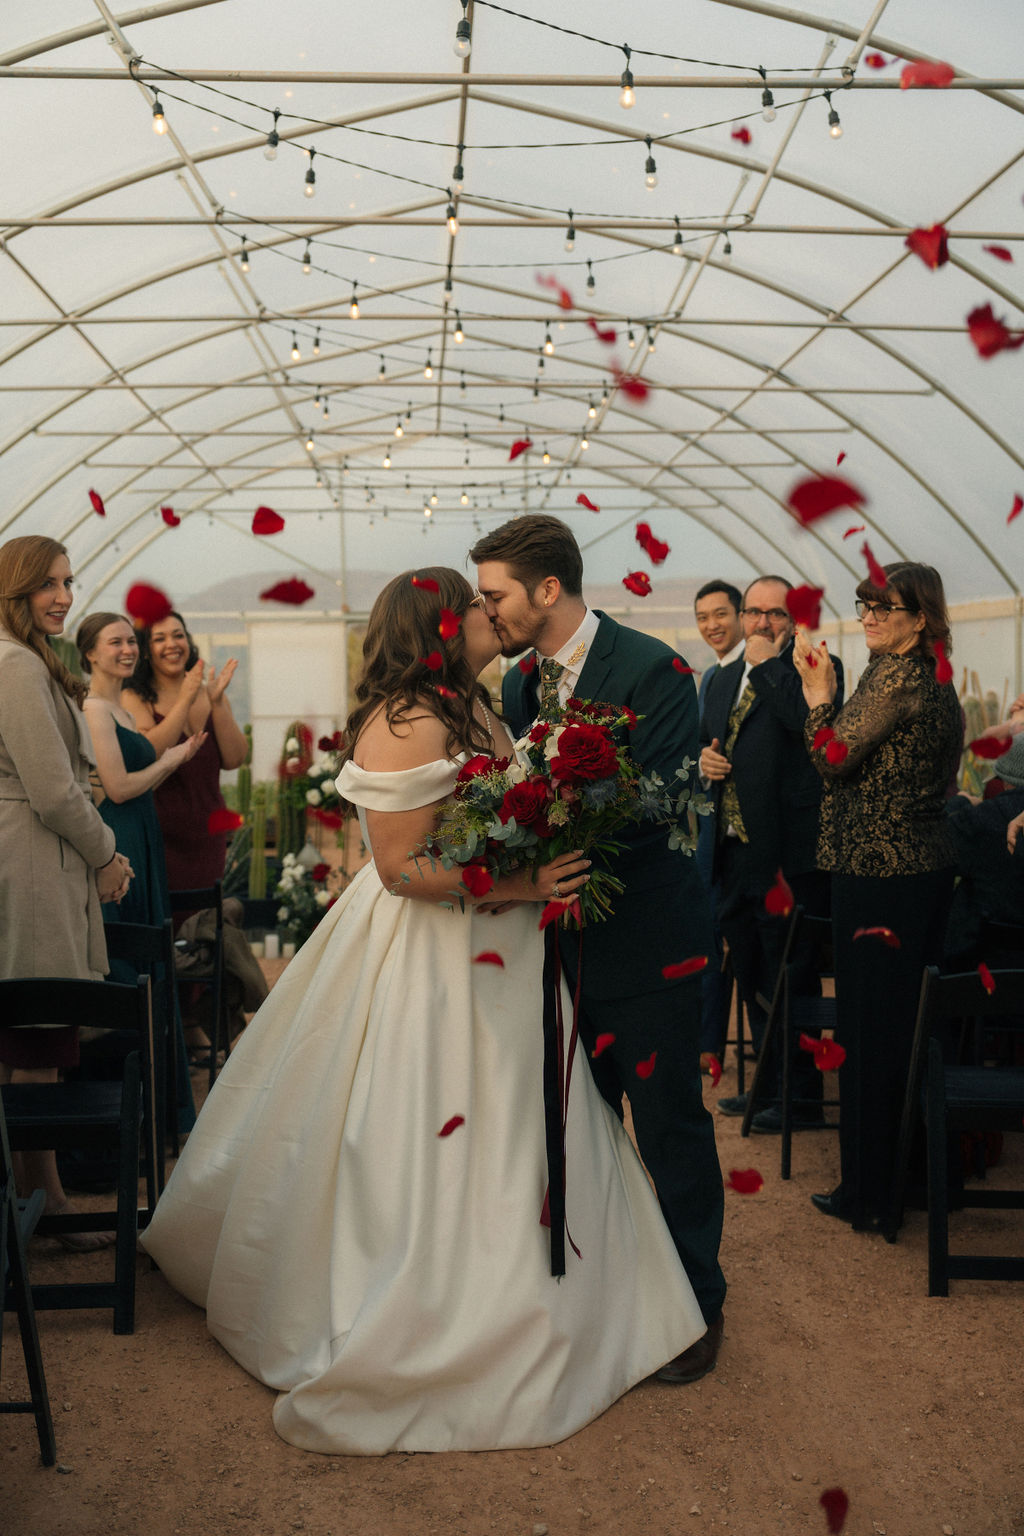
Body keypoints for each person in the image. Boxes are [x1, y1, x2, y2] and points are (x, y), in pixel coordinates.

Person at [141, 567, 706, 1454]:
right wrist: (525, 882)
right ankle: (446, 1302)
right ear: (443, 626)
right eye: (478, 605)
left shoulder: (481, 704)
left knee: (531, 1117)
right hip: (437, 955)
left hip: (511, 953)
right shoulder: (405, 722)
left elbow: (495, 812)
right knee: (437, 1123)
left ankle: (581, 1297)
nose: (494, 613)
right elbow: (402, 870)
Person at [471, 515, 726, 1386]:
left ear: (549, 591)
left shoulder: (652, 668)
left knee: (669, 1128)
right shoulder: (516, 684)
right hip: (558, 946)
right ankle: (605, 1296)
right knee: (576, 1130)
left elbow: (667, 797)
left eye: (495, 594)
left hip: (647, 942)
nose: (486, 610)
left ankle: (697, 1303)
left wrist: (553, 802)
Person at [794, 562, 962, 1230]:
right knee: (898, 1032)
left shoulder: (897, 676)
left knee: (871, 1034)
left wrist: (817, 697)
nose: (866, 617)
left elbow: (833, 755)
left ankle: (870, 1196)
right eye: (862, 605)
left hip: (881, 876)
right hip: (910, 875)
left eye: (881, 608)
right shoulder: (925, 674)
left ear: (920, 618)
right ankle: (901, 1181)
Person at [0, 535, 133, 1246]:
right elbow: (54, 793)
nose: (62, 596)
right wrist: (107, 855)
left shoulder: (21, 660)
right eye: (47, 585)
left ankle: (38, 1198)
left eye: (68, 582)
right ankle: (43, 1204)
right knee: (34, 1041)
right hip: (28, 866)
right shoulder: (16, 666)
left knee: (29, 1045)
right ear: (15, 590)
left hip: (28, 860)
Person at [700, 576, 844, 1132]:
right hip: (733, 852)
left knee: (792, 973)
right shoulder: (720, 679)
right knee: (753, 975)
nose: (762, 623)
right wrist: (706, 762)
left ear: (795, 619)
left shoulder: (816, 668)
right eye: (754, 612)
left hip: (789, 854)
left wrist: (766, 665)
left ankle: (801, 1097)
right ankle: (769, 1088)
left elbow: (807, 726)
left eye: (774, 614)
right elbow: (710, 740)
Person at [76, 611, 205, 1126]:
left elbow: (128, 782)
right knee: (127, 964)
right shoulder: (93, 711)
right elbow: (120, 786)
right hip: (121, 842)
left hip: (143, 836)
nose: (129, 650)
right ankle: (115, 1114)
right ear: (90, 653)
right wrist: (173, 760)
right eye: (116, 643)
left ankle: (156, 1110)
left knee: (152, 964)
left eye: (132, 642)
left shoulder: (122, 712)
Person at [123, 610, 247, 892]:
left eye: (178, 635)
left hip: (208, 837)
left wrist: (216, 703)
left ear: (189, 643)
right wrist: (185, 700)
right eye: (159, 638)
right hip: (159, 838)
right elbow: (147, 754)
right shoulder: (134, 697)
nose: (172, 644)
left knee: (203, 924)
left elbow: (235, 758)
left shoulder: (211, 693)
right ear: (145, 650)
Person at [693, 581, 745, 1066]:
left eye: (720, 614)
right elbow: (702, 746)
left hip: (744, 839)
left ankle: (714, 1047)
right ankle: (709, 1047)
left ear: (742, 614)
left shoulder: (756, 672)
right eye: (703, 617)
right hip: (712, 834)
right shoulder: (709, 678)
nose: (712, 625)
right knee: (707, 937)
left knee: (736, 946)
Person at [943, 736, 1024, 968]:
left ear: (1006, 781)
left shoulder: (981, 820)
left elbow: (935, 847)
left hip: (976, 965)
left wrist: (959, 805)